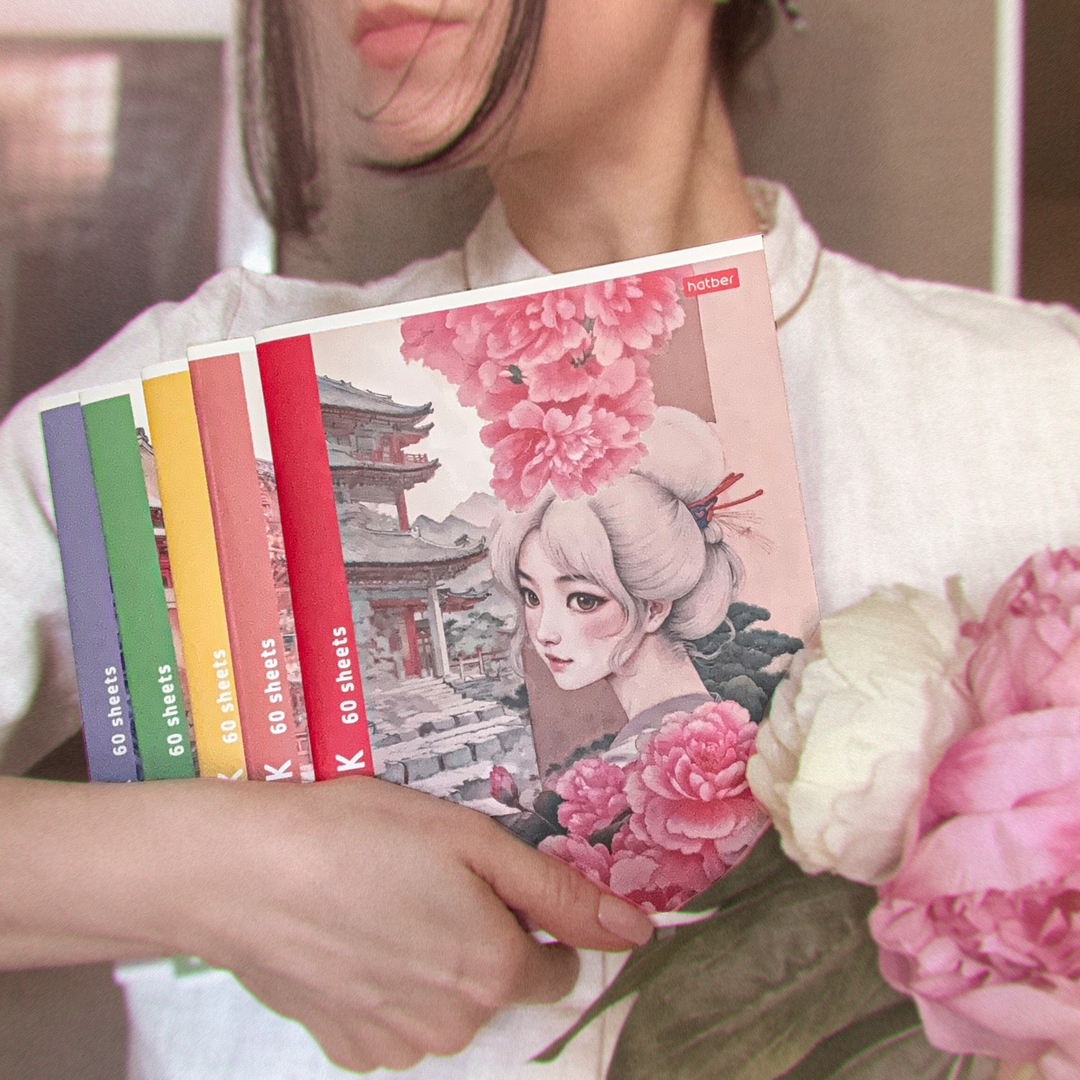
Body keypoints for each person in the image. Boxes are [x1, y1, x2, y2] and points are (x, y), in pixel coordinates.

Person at [0, 1, 1077, 1078]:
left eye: (582, 596)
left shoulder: (1041, 411)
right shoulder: (183, 404)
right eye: (530, 594)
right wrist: (221, 872)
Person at [489, 405, 742, 753]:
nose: (545, 632)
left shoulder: (641, 761)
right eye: (532, 596)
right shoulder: (708, 731)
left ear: (654, 609)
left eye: (583, 600)